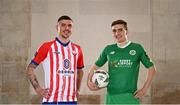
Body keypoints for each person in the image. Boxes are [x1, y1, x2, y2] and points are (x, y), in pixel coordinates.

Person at [87, 19, 156, 104]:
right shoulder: (108, 49)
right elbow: (95, 66)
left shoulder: (137, 48)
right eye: (114, 31)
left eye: (120, 30)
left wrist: (144, 89)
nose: (117, 33)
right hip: (111, 96)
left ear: (126, 31)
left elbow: (152, 68)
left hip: (130, 96)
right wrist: (89, 81)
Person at [26, 15, 84, 104]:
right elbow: (30, 68)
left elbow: (80, 70)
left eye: (69, 25)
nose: (66, 28)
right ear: (57, 27)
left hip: (71, 101)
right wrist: (38, 89)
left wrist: (78, 89)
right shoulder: (47, 46)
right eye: (63, 25)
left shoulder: (77, 49)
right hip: (51, 100)